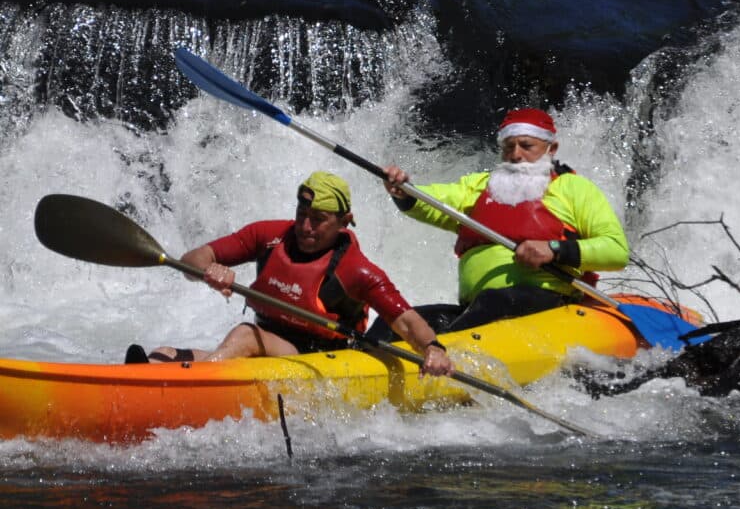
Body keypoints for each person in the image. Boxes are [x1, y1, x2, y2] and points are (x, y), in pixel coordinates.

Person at [126, 171, 453, 375]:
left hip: (322, 360)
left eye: (319, 218)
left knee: (243, 336)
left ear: (343, 221)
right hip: (267, 347)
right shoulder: (267, 235)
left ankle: (187, 387)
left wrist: (433, 349)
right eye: (302, 213)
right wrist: (207, 270)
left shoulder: (357, 270)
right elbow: (192, 259)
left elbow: (407, 321)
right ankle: (150, 378)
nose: (305, 226)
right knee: (165, 353)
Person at [380, 108, 629, 334]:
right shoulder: (479, 186)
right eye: (509, 147)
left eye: (526, 145)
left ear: (551, 149)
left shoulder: (574, 188)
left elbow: (616, 250)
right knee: (396, 320)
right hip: (476, 310)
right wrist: (404, 189)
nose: (516, 155)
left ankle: (446, 357)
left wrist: (554, 249)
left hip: (544, 304)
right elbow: (431, 202)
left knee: (494, 302)